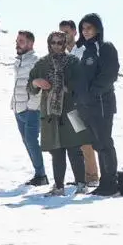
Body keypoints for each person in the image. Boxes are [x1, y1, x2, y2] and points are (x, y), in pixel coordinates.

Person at [28, 31, 91, 195]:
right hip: (50, 114)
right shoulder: (42, 63)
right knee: (56, 151)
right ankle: (58, 186)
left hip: (73, 111)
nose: (56, 45)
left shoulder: (73, 62)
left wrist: (66, 88)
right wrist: (36, 82)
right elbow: (30, 86)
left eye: (59, 43)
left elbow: (82, 84)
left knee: (75, 149)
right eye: (53, 42)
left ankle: (81, 184)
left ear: (64, 44)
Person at [73, 13, 120, 195]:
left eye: (89, 28)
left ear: (98, 29)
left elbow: (110, 75)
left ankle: (110, 182)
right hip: (83, 106)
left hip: (101, 104)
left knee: (104, 142)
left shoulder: (105, 47)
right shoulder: (80, 49)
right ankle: (104, 181)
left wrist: (92, 93)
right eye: (83, 29)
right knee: (94, 143)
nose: (85, 32)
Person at [59, 19, 98, 185]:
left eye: (66, 32)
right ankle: (80, 177)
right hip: (68, 104)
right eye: (61, 33)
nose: (63, 36)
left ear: (75, 32)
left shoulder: (82, 50)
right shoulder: (63, 55)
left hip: (82, 102)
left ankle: (92, 176)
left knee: (85, 141)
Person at [10, 30, 46, 186]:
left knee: (32, 141)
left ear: (31, 44)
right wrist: (14, 103)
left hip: (31, 110)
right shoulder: (19, 61)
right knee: (27, 142)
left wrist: (32, 107)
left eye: (22, 41)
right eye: (17, 41)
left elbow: (40, 87)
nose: (18, 44)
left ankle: (41, 176)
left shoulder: (36, 61)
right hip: (18, 108)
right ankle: (39, 175)